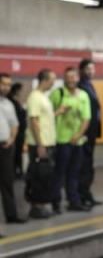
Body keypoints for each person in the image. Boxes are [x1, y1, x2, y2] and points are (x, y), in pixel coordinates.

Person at [49, 67, 91, 213]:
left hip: (77, 141)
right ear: (64, 79)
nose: (71, 80)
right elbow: (47, 117)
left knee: (74, 172)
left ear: (78, 78)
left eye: (73, 77)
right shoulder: (57, 94)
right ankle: (56, 202)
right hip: (61, 140)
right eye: (68, 77)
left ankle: (74, 201)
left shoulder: (84, 96)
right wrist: (58, 112)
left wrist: (79, 134)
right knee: (59, 172)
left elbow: (87, 118)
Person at [25, 69, 58, 218]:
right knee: (38, 175)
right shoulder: (34, 97)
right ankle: (36, 207)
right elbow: (34, 121)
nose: (53, 83)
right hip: (40, 144)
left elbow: (45, 118)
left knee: (46, 176)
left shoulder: (43, 97)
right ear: (45, 80)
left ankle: (42, 205)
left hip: (47, 142)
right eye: (52, 80)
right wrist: (40, 145)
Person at [77, 58, 103, 207]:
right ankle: (82, 195)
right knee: (83, 165)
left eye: (93, 69)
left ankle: (87, 194)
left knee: (88, 164)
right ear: (81, 70)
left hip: (92, 131)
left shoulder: (90, 85)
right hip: (85, 132)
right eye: (88, 69)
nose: (91, 72)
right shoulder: (81, 86)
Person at [0, 73, 25, 224]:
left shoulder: (8, 104)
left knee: (7, 182)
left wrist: (11, 139)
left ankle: (11, 215)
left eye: (8, 85)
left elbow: (14, 124)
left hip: (6, 147)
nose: (6, 88)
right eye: (3, 84)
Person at [7, 83, 27, 178]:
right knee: (13, 153)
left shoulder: (16, 102)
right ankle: (14, 170)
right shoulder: (10, 102)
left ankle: (17, 169)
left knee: (18, 152)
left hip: (20, 132)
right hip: (14, 133)